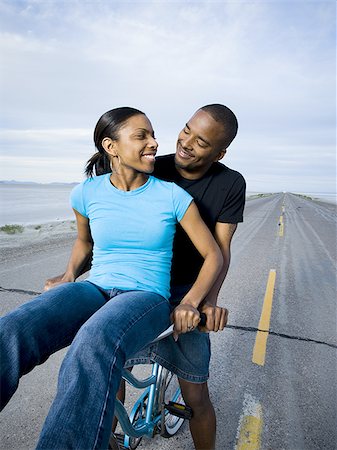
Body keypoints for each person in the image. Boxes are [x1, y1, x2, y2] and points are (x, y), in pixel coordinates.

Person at [0, 107, 224, 449]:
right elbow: (84, 242)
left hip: (146, 297)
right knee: (16, 325)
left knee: (92, 341)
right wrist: (69, 274)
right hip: (95, 287)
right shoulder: (86, 193)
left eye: (152, 135)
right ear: (111, 146)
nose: (154, 143)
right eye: (142, 136)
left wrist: (192, 301)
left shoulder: (172, 196)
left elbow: (214, 255)